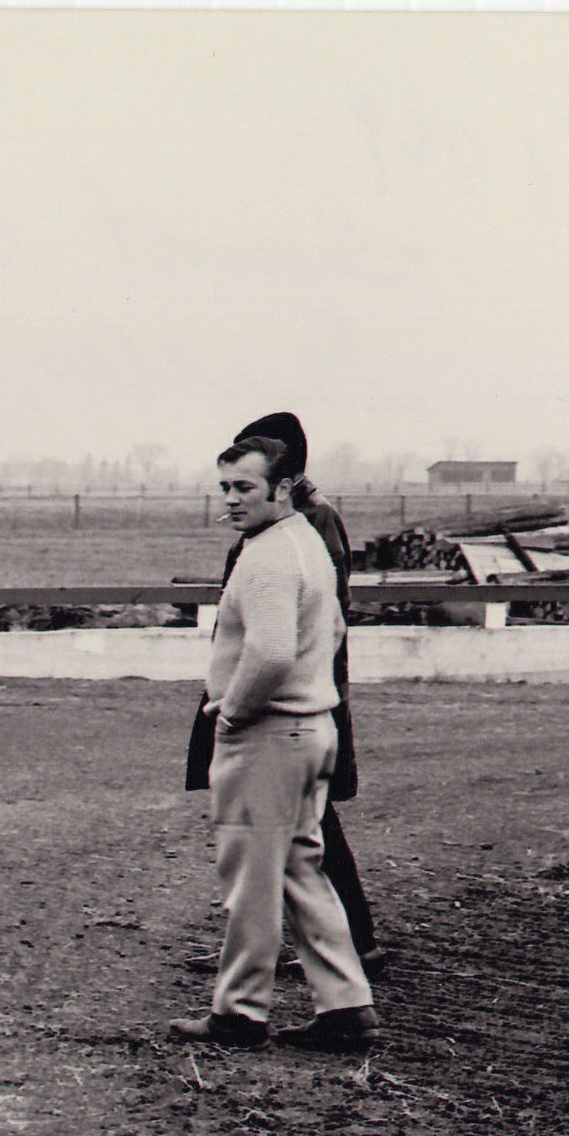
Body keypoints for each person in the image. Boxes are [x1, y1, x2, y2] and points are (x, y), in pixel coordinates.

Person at [171, 436, 378, 1051]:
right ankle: (346, 1006)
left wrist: (231, 713)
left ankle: (240, 1012)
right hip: (314, 728)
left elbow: (268, 651)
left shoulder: (263, 555)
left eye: (245, 488)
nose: (231, 501)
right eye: (225, 488)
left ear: (282, 488)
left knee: (250, 880)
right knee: (300, 871)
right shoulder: (309, 543)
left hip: (269, 734)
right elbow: (336, 624)